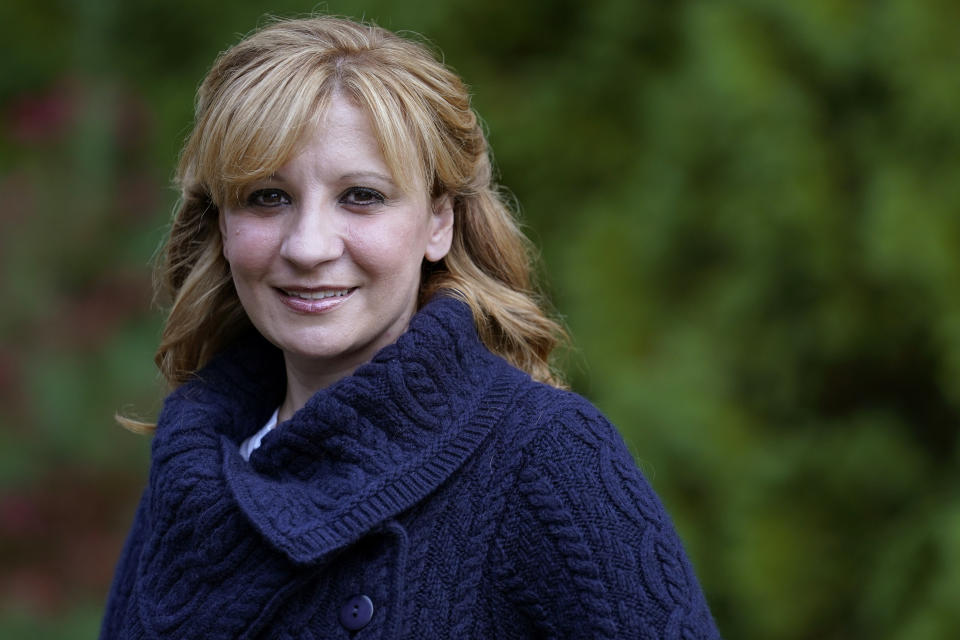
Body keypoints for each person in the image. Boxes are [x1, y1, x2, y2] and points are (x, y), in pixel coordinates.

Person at [101, 16, 721, 640]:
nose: (309, 246)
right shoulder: (196, 470)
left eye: (361, 196)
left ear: (437, 224)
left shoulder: (546, 457)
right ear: (223, 229)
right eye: (267, 196)